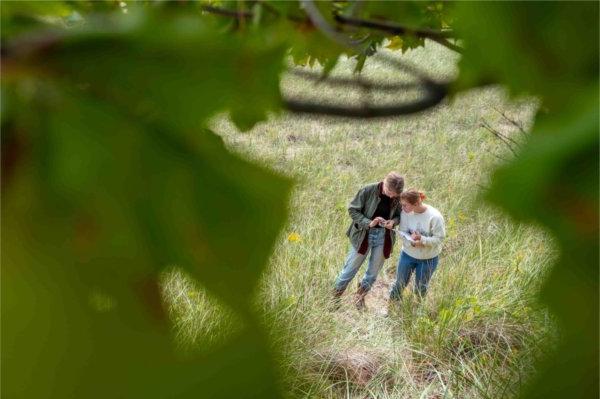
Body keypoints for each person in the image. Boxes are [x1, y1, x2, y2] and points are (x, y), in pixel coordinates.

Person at [333, 172, 404, 309]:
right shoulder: (368, 190)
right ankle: (334, 298)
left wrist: (393, 222)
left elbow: (400, 215)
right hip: (363, 234)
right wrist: (368, 222)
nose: (391, 196)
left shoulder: (398, 196)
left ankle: (359, 298)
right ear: (384, 181)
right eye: (389, 191)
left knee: (373, 272)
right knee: (350, 269)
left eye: (394, 194)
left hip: (384, 236)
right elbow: (353, 210)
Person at [389, 189, 445, 301]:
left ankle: (415, 310)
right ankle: (392, 306)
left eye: (405, 205)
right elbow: (403, 232)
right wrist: (412, 242)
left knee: (421, 288)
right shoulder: (405, 213)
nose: (402, 208)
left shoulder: (435, 217)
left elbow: (439, 239)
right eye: (402, 205)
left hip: (428, 258)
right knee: (400, 283)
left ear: (416, 204)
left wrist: (422, 240)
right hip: (407, 255)